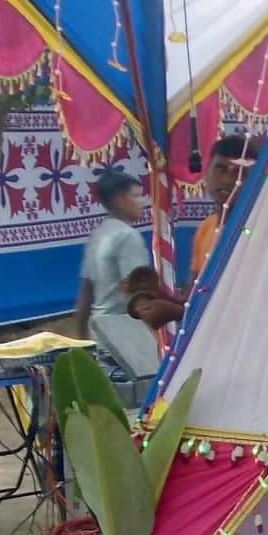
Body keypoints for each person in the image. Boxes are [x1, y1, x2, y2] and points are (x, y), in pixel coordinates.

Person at [73, 171, 160, 403]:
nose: (143, 202)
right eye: (137, 195)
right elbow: (139, 296)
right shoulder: (128, 237)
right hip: (127, 339)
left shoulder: (98, 236)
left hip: (100, 336)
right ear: (120, 199)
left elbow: (85, 296)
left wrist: (83, 343)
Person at [189, 134, 257, 289]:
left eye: (240, 173)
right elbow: (193, 294)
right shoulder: (207, 227)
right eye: (221, 169)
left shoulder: (258, 228)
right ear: (206, 173)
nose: (228, 180)